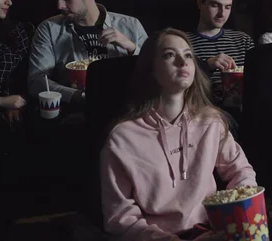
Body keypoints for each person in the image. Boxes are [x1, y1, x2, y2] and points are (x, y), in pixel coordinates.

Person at [101, 28, 257, 240]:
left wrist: (231, 219)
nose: (182, 63)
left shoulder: (211, 121)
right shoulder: (122, 138)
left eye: (188, 55)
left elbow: (241, 172)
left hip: (214, 231)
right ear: (151, 69)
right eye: (169, 55)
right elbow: (120, 218)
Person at [28, 0, 147, 104]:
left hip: (125, 106)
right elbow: (36, 82)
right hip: (76, 108)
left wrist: (130, 47)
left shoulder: (130, 25)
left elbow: (154, 73)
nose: (59, 6)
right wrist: (78, 96)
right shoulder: (49, 29)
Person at [187, 0, 254, 103]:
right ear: (200, 3)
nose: (222, 13)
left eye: (227, 7)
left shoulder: (244, 40)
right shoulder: (183, 43)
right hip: (200, 110)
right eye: (215, 5)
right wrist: (207, 66)